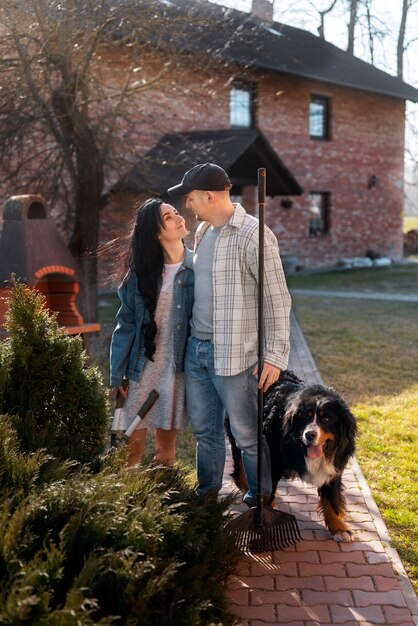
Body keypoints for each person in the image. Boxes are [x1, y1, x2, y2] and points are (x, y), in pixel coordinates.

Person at [168, 163, 291, 505]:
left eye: (190, 198)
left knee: (247, 434)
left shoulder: (255, 234)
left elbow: (277, 300)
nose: (187, 205)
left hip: (236, 356)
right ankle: (207, 492)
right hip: (197, 352)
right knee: (205, 432)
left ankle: (261, 499)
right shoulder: (203, 231)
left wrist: (275, 356)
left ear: (208, 195)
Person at [109, 197, 194, 467]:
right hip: (141, 369)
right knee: (129, 446)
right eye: (169, 217)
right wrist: (116, 374)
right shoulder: (139, 275)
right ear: (156, 232)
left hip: (177, 370)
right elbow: (126, 326)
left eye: (177, 212)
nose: (179, 217)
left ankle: (160, 498)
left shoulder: (198, 268)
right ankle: (129, 504)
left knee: (165, 447)